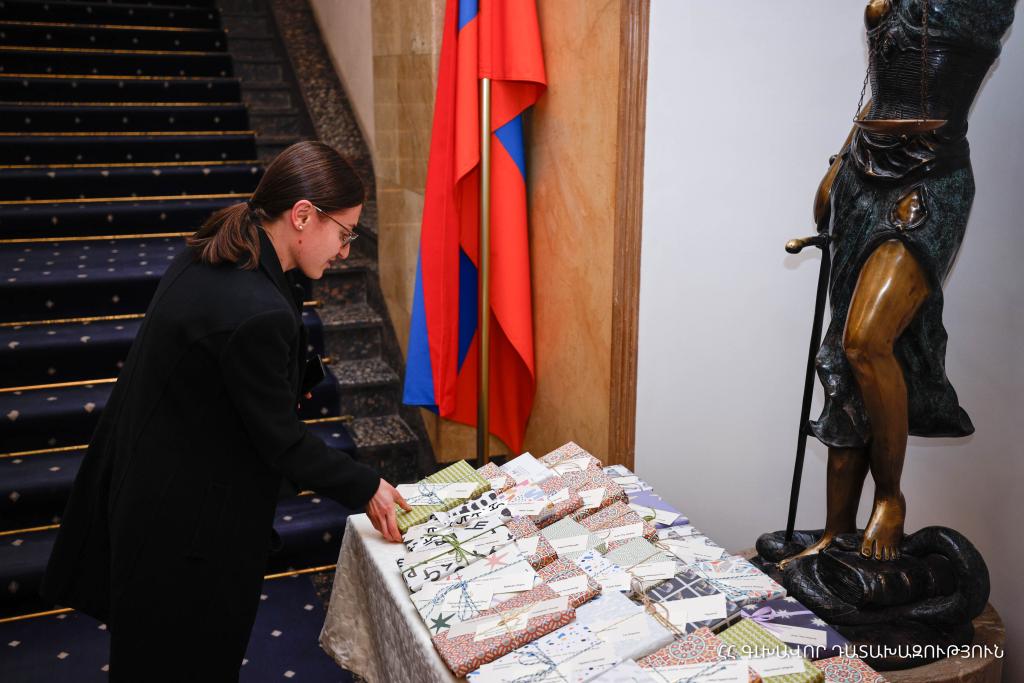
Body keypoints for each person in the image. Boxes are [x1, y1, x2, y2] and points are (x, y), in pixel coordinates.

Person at [40, 141, 411, 681]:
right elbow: (281, 441)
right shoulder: (255, 309)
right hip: (186, 536)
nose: (344, 251)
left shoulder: (221, 250)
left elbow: (228, 380)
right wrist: (367, 486)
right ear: (302, 215)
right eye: (344, 233)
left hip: (151, 497)